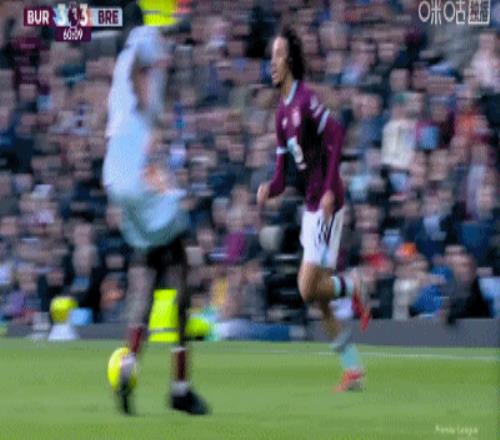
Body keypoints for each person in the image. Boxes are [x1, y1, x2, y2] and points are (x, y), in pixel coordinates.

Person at [103, 4, 208, 415]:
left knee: (147, 271)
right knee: (180, 273)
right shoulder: (144, 40)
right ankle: (180, 388)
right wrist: (149, 106)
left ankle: (127, 367)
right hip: (139, 176)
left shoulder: (123, 58)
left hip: (119, 176)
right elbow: (143, 66)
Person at [257, 25, 370, 392]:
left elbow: (336, 134)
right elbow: (282, 176)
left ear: (290, 60)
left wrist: (330, 189)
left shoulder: (306, 100)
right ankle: (353, 370)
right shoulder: (281, 115)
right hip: (310, 204)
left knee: (307, 288)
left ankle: (353, 285)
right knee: (319, 299)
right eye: (270, 56)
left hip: (327, 203)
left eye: (277, 55)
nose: (272, 62)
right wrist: (268, 190)